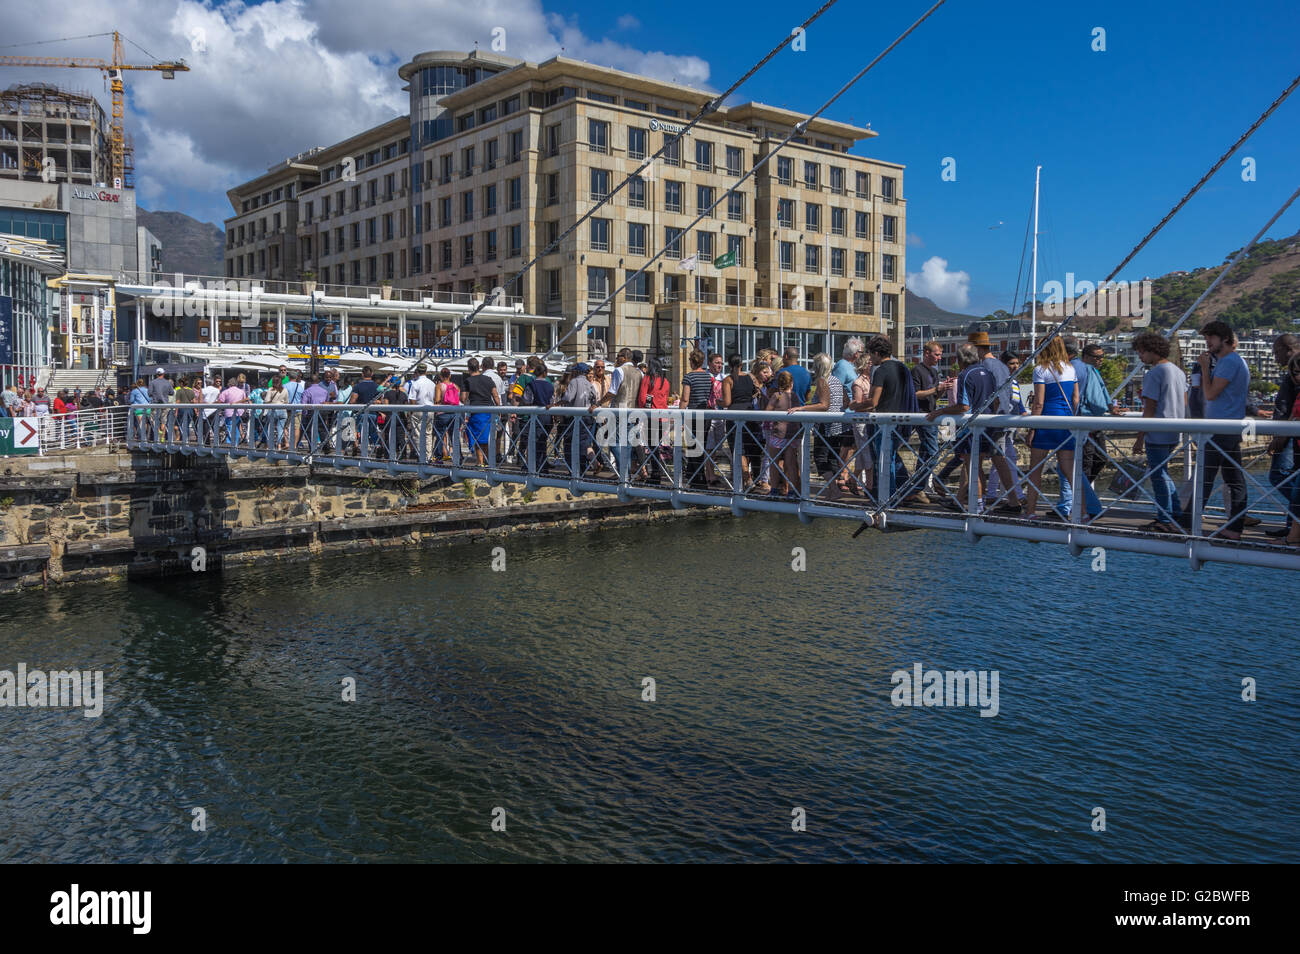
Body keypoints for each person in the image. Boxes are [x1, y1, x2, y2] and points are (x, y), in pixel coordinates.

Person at [928, 343, 1020, 514]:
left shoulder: (965, 374)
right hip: (989, 424)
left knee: (971, 467)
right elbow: (997, 400)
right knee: (977, 464)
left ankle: (976, 506)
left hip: (969, 427)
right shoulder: (989, 373)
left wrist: (939, 411)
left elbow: (963, 406)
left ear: (960, 360)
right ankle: (980, 502)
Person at [1129, 331, 1188, 533]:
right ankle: (1175, 513)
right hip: (1175, 430)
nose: (1140, 357)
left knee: (1158, 475)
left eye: (1141, 352)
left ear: (1151, 350)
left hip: (1158, 431)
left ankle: (1165, 517)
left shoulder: (1154, 374)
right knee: (1163, 473)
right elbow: (1185, 401)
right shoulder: (1178, 372)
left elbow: (1149, 409)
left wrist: (1139, 438)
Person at [850, 335, 920, 503]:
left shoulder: (881, 370)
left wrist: (854, 406)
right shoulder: (902, 367)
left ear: (876, 353)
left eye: (870, 354)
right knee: (892, 458)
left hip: (884, 422)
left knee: (885, 462)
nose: (870, 358)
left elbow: (873, 402)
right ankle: (902, 493)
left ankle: (887, 499)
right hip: (902, 420)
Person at [1197, 320, 1250, 540]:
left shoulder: (1228, 362)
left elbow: (1210, 394)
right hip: (1227, 427)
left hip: (1221, 428)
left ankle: (1185, 521)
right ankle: (1234, 528)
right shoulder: (1234, 361)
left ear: (1224, 339)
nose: (1207, 342)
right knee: (1232, 478)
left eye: (1211, 337)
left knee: (1206, 478)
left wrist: (1203, 368)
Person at [1021, 337, 1080, 521]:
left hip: (1046, 422)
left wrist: (1032, 429)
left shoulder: (1041, 369)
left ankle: (1031, 512)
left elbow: (1038, 403)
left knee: (1035, 470)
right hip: (1065, 423)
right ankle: (1082, 512)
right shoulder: (1071, 368)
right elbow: (1076, 399)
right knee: (1070, 472)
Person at [798, 352, 850, 495]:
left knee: (820, 459)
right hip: (839, 426)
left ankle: (834, 490)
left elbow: (824, 405)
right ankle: (834, 491)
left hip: (826, 426)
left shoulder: (822, 380)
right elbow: (846, 402)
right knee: (832, 458)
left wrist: (802, 407)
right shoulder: (836, 380)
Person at [1263, 333, 1299, 537]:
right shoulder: (1292, 372)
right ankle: (1292, 527)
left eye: (1277, 352)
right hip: (1288, 432)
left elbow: (1291, 407)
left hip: (1290, 433)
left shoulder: (1296, 371)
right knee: (1292, 475)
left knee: (1280, 475)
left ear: (1289, 349)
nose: (1274, 356)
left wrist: (1282, 434)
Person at [983, 351, 1028, 510]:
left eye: (1017, 363)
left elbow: (1018, 403)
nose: (1015, 366)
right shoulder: (1002, 381)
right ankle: (1018, 494)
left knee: (1000, 461)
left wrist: (1024, 414)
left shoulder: (1014, 382)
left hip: (1011, 426)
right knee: (1009, 458)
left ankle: (991, 493)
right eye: (1011, 363)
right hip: (1002, 425)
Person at [911, 339, 953, 496]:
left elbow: (934, 396)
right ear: (927, 353)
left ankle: (916, 487)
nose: (939, 358)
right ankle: (917, 488)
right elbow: (915, 394)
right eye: (937, 354)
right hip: (923, 416)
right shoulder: (917, 370)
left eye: (941, 355)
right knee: (933, 453)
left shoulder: (934, 372)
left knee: (925, 453)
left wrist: (943, 389)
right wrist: (937, 388)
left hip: (932, 414)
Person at [721, 355, 759, 486]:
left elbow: (727, 402)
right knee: (748, 448)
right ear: (742, 364)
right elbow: (758, 390)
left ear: (729, 365)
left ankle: (746, 479)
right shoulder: (750, 377)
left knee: (738, 449)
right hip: (750, 414)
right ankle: (747, 478)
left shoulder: (728, 380)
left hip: (734, 416)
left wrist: (717, 401)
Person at [764, 370, 799, 498]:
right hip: (792, 434)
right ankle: (792, 491)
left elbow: (767, 412)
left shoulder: (776, 396)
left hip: (778, 433)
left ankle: (774, 489)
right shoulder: (794, 396)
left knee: (774, 462)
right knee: (790, 464)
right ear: (791, 383)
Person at [463, 357, 499, 465]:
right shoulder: (488, 379)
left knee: (478, 439)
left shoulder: (468, 381)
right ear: (479, 367)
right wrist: (500, 410)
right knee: (486, 438)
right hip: (489, 412)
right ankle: (487, 461)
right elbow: (496, 396)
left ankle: (480, 462)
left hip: (476, 412)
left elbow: (463, 398)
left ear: (468, 368)